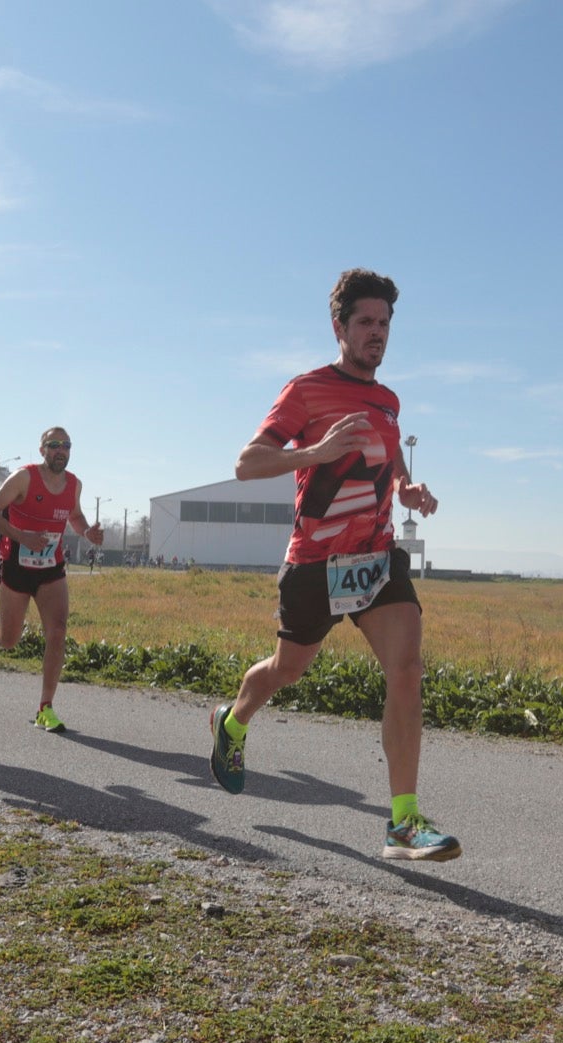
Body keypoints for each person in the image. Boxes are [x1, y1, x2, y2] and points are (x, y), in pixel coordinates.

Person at [208, 268, 460, 862]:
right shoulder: (307, 390)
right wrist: (316, 452)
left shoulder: (388, 400)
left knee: (407, 669)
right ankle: (232, 721)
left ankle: (403, 823)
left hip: (375, 558)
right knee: (287, 669)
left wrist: (405, 487)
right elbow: (248, 463)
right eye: (366, 322)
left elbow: (388, 460)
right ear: (339, 328)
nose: (377, 333)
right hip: (315, 562)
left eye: (385, 323)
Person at [0, 427, 102, 733]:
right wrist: (22, 537)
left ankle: (46, 707)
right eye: (54, 444)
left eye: (66, 445)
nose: (61, 450)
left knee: (57, 632)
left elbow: (74, 516)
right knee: (9, 640)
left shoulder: (74, 484)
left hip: (51, 568)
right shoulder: (23, 478)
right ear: (42, 449)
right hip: (16, 564)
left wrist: (87, 532)